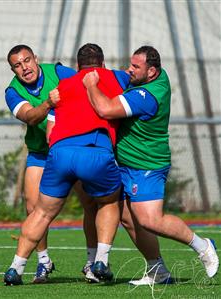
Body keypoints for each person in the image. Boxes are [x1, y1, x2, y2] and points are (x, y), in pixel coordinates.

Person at [82, 45, 219, 284]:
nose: (129, 70)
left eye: (136, 67)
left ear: (152, 71)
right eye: (130, 64)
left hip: (146, 165)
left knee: (149, 220)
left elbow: (104, 109)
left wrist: (91, 84)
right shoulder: (157, 75)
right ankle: (157, 270)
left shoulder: (147, 96)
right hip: (125, 164)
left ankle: (203, 246)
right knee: (128, 218)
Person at [3, 43, 130, 286]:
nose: (24, 67)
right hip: (79, 152)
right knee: (108, 201)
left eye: (27, 60)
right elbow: (30, 117)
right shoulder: (13, 91)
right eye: (17, 65)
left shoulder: (61, 78)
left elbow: (51, 132)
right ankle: (94, 262)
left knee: (43, 210)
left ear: (36, 59)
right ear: (101, 65)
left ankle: (15, 268)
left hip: (57, 152)